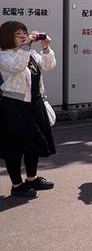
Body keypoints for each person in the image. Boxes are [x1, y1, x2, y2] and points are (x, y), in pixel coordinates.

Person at [0, 21, 56, 198]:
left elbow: (48, 65)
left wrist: (46, 48)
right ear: (8, 36)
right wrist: (27, 46)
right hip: (14, 106)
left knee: (34, 144)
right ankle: (17, 185)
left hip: (35, 103)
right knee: (14, 147)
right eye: (19, 34)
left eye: (25, 32)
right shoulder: (4, 55)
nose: (24, 36)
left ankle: (32, 179)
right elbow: (17, 66)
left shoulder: (30, 53)